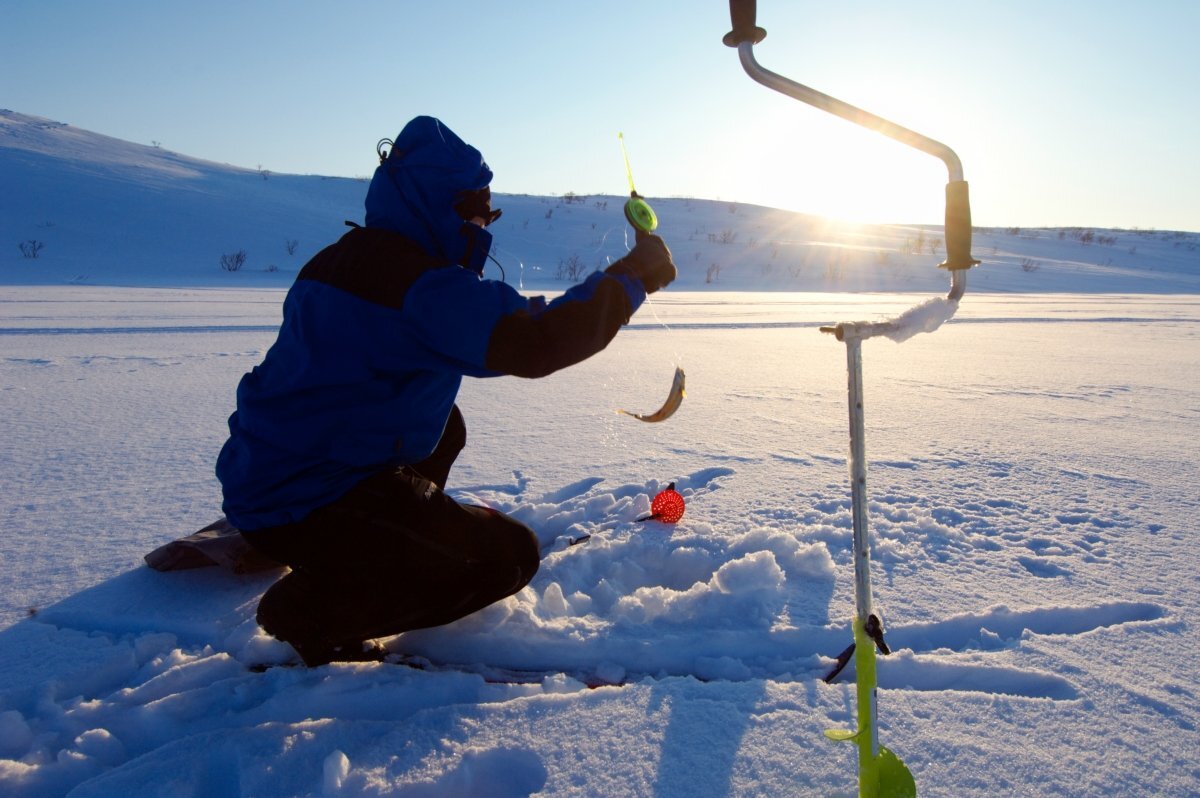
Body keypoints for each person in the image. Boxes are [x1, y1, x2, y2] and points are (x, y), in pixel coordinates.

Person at [215, 116, 676, 666]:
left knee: (442, 421)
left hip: (267, 468)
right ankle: (312, 609)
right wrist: (632, 277)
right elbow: (535, 343)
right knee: (509, 558)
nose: (486, 225)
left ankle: (381, 539)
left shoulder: (345, 258)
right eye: (481, 211)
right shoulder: (417, 285)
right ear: (449, 207)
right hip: (299, 498)